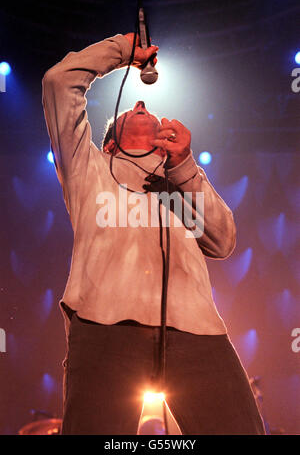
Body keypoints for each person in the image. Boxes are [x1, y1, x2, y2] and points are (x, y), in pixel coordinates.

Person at [42, 32, 265, 435]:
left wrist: (183, 167)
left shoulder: (181, 180)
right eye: (130, 110)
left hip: (196, 332)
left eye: (147, 107)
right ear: (109, 144)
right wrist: (121, 53)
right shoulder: (89, 170)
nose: (142, 102)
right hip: (104, 328)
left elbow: (223, 240)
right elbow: (59, 82)